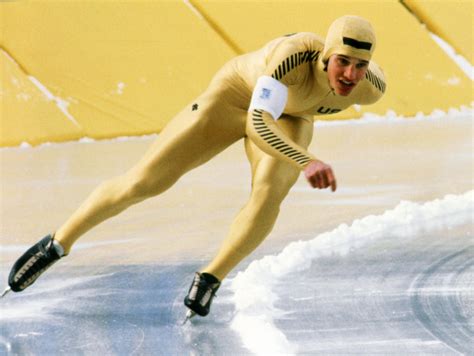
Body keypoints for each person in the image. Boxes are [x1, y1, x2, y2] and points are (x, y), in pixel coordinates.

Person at [5, 15, 386, 318]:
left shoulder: (371, 88)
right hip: (235, 101)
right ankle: (57, 243)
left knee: (270, 194)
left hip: (292, 118)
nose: (350, 76)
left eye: (359, 65)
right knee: (146, 181)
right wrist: (308, 160)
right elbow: (257, 121)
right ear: (325, 56)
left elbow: (284, 118)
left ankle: (211, 277)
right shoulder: (294, 55)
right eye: (342, 62)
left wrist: (300, 156)